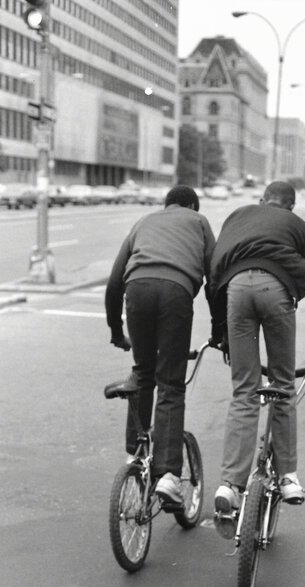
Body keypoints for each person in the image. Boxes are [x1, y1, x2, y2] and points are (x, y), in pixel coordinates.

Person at [208, 180, 305, 518]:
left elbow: (213, 270)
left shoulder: (238, 215)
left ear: (262, 200)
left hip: (235, 289)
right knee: (283, 385)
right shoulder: (296, 225)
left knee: (244, 390)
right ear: (291, 207)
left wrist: (220, 331)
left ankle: (230, 484)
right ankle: (287, 477)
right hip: (276, 288)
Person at [105, 185, 215, 506]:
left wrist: (116, 330)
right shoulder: (199, 222)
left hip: (136, 289)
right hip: (176, 292)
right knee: (170, 383)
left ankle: (135, 457)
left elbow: (114, 283)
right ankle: (168, 474)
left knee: (142, 371)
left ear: (165, 205)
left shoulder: (143, 222)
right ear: (193, 205)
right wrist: (220, 329)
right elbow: (215, 277)